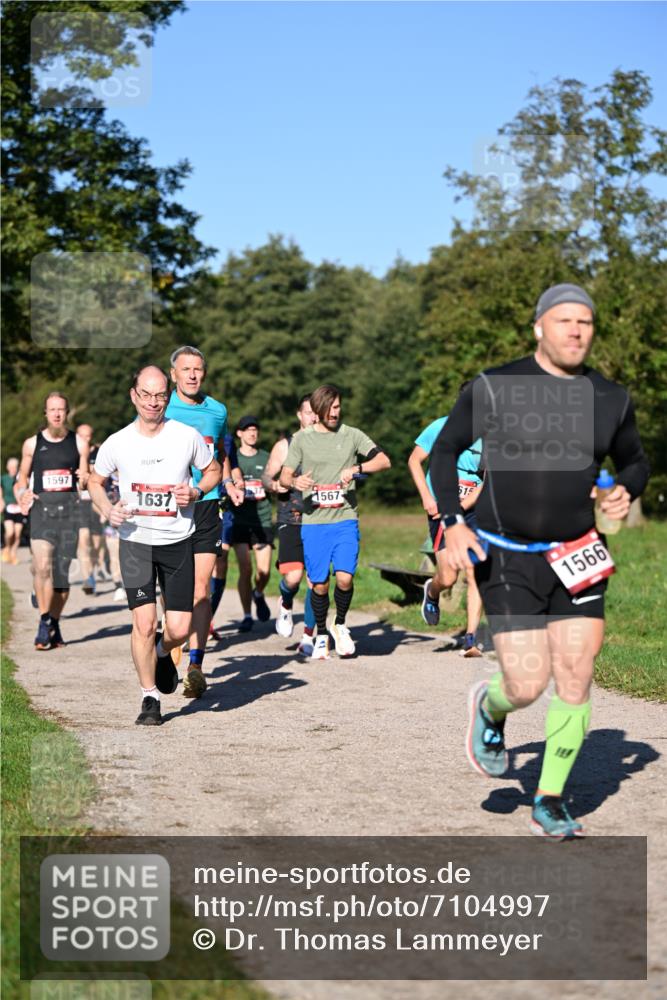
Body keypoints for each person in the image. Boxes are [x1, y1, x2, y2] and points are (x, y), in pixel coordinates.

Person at [430, 283, 650, 839]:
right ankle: (493, 708)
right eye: (564, 320)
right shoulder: (496, 386)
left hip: (578, 553)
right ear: (539, 328)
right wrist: (454, 521)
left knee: (577, 673)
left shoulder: (609, 399)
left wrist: (624, 488)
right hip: (507, 554)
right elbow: (445, 451)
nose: (576, 330)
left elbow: (635, 462)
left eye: (586, 322)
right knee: (527, 684)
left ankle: (549, 799)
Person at [87, 365, 221, 726]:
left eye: (161, 394)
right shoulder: (118, 442)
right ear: (134, 395)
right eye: (146, 394)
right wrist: (106, 509)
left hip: (177, 540)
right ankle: (149, 698)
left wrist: (196, 490)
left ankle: (164, 653)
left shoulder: (186, 436)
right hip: (134, 543)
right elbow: (95, 481)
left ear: (168, 396)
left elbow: (214, 470)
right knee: (144, 623)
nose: (153, 402)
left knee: (177, 628)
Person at [280, 384, 391, 659]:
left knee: (344, 578)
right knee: (318, 585)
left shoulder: (352, 435)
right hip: (314, 523)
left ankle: (339, 624)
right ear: (317, 409)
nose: (334, 412)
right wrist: (295, 480)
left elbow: (384, 461)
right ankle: (320, 633)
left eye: (338, 407)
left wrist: (357, 468)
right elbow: (284, 476)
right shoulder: (302, 439)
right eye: (329, 407)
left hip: (345, 519)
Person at [165, 346, 244, 697]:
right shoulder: (161, 409)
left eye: (198, 369)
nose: (193, 375)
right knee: (172, 590)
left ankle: (196, 666)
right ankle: (172, 638)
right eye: (186, 369)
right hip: (168, 509)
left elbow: (222, 453)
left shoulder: (218, 410)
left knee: (201, 587)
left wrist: (228, 481)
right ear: (174, 374)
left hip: (207, 505)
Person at [408, 388, 484, 656]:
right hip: (441, 511)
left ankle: (471, 638)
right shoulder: (440, 427)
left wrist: (464, 504)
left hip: (472, 509)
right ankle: (433, 590)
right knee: (449, 576)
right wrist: (427, 498)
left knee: (476, 572)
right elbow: (415, 461)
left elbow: (488, 481)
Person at [15, 393, 90, 649]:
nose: (57, 414)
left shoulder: (79, 443)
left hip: (69, 514)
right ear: (45, 413)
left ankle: (54, 623)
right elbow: (21, 478)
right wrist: (22, 492)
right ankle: (44, 620)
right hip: (42, 513)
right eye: (52, 410)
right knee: (43, 565)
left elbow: (84, 481)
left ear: (67, 412)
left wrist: (84, 477)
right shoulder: (31, 444)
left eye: (61, 410)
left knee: (61, 578)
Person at [262, 393, 318, 656]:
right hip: (290, 518)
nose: (314, 417)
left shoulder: (330, 444)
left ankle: (308, 636)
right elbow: (266, 475)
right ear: (299, 415)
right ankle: (286, 603)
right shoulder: (285, 444)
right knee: (294, 578)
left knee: (315, 580)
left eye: (318, 412)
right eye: (309, 412)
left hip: (321, 520)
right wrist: (272, 484)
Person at [231, 416, 275, 631]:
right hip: (239, 521)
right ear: (239, 433)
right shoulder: (233, 458)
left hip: (263, 519)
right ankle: (247, 615)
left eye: (255, 429)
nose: (252, 433)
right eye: (247, 429)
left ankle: (258, 592)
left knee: (264, 571)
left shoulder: (267, 458)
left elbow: (276, 483)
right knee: (245, 570)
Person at [210, 430, 243, 640]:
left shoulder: (226, 435)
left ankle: (207, 620)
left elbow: (233, 464)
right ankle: (179, 619)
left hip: (222, 506)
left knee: (220, 560)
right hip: (194, 503)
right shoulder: (179, 425)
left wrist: (238, 481)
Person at [76, 424, 106, 595]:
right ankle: (87, 577)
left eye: (88, 436)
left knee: (95, 544)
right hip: (80, 503)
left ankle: (92, 572)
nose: (85, 439)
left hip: (97, 502)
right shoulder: (72, 454)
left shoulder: (99, 452)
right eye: (82, 436)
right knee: (83, 539)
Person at [1, 457, 26, 564]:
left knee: (17, 534)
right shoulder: (3, 478)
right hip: (8, 507)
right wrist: (1, 501)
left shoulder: (21, 478)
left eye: (15, 467)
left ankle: (13, 554)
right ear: (7, 467)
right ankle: (6, 547)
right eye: (11, 467)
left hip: (20, 508)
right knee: (10, 532)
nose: (13, 469)